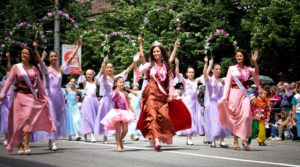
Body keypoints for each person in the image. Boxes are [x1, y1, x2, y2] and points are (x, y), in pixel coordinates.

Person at [135, 35, 191, 151]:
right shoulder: (149, 66)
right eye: (154, 51)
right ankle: (156, 140)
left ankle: (157, 136)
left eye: (158, 51)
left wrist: (175, 47)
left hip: (163, 96)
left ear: (161, 52)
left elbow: (169, 80)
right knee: (153, 117)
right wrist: (136, 60)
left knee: (165, 117)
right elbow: (139, 68)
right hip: (151, 94)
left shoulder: (166, 66)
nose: (156, 53)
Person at [0, 43, 56, 153]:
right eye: (22, 53)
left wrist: (45, 98)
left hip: (30, 97)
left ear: (30, 56)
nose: (24, 55)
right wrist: (2, 95)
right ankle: (19, 144)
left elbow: (40, 85)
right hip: (18, 97)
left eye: (26, 53)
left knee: (28, 119)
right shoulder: (16, 67)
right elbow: (8, 82)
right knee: (19, 122)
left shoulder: (34, 69)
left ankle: (26, 143)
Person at [33, 38, 81, 151]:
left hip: (59, 96)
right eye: (52, 56)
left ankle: (51, 139)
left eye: (55, 56)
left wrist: (77, 47)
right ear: (49, 58)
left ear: (57, 57)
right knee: (52, 118)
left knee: (58, 118)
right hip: (49, 95)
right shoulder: (46, 69)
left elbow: (69, 59)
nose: (54, 58)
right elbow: (39, 61)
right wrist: (35, 49)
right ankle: (54, 142)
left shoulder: (61, 69)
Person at [218, 49, 260, 151]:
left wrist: (255, 61)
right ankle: (236, 140)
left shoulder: (247, 69)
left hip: (244, 95)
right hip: (233, 94)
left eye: (240, 56)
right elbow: (227, 83)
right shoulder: (231, 68)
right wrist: (225, 97)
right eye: (237, 56)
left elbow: (256, 73)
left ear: (244, 57)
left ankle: (244, 139)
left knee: (246, 116)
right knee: (235, 118)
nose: (239, 58)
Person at [94, 55, 137, 143]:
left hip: (116, 101)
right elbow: (103, 73)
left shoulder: (117, 78)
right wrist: (104, 64)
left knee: (118, 118)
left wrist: (134, 61)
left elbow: (127, 70)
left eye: (111, 67)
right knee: (107, 118)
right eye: (108, 67)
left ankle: (118, 136)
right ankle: (105, 136)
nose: (109, 69)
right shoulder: (104, 78)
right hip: (107, 100)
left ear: (113, 68)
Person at [174, 58, 204, 145]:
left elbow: (204, 75)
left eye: (192, 72)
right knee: (189, 119)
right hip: (188, 102)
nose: (191, 73)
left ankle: (189, 137)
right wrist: (177, 64)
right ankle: (189, 138)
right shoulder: (185, 81)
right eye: (189, 72)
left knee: (194, 119)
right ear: (186, 73)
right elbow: (177, 74)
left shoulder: (197, 80)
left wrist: (206, 63)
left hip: (195, 103)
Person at [101, 76, 135, 152]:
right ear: (116, 83)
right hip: (116, 113)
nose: (122, 83)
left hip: (125, 112)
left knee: (126, 130)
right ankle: (118, 146)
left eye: (123, 82)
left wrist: (133, 112)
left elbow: (129, 104)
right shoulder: (114, 92)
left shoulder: (125, 93)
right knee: (118, 130)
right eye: (120, 82)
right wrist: (115, 90)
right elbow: (113, 98)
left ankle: (120, 140)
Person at [203, 56, 229, 148]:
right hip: (212, 104)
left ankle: (222, 140)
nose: (218, 70)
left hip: (220, 104)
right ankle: (213, 140)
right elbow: (205, 74)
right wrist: (207, 63)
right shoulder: (209, 80)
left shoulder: (222, 80)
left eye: (219, 69)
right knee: (213, 122)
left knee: (221, 121)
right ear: (213, 70)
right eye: (216, 69)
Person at [78, 68, 99, 142]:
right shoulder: (85, 82)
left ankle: (88, 133)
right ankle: (91, 135)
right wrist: (80, 71)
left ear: (93, 74)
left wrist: (103, 64)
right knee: (87, 117)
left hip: (94, 101)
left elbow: (101, 72)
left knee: (93, 117)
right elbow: (81, 73)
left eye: (90, 74)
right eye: (87, 74)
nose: (88, 75)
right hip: (87, 101)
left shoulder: (95, 82)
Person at [0, 51, 13, 146]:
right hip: (5, 103)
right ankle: (6, 137)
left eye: (10, 72)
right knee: (5, 120)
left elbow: (9, 67)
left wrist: (8, 58)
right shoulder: (3, 82)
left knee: (12, 121)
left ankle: (12, 137)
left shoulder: (14, 82)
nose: (9, 72)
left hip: (13, 102)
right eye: (8, 72)